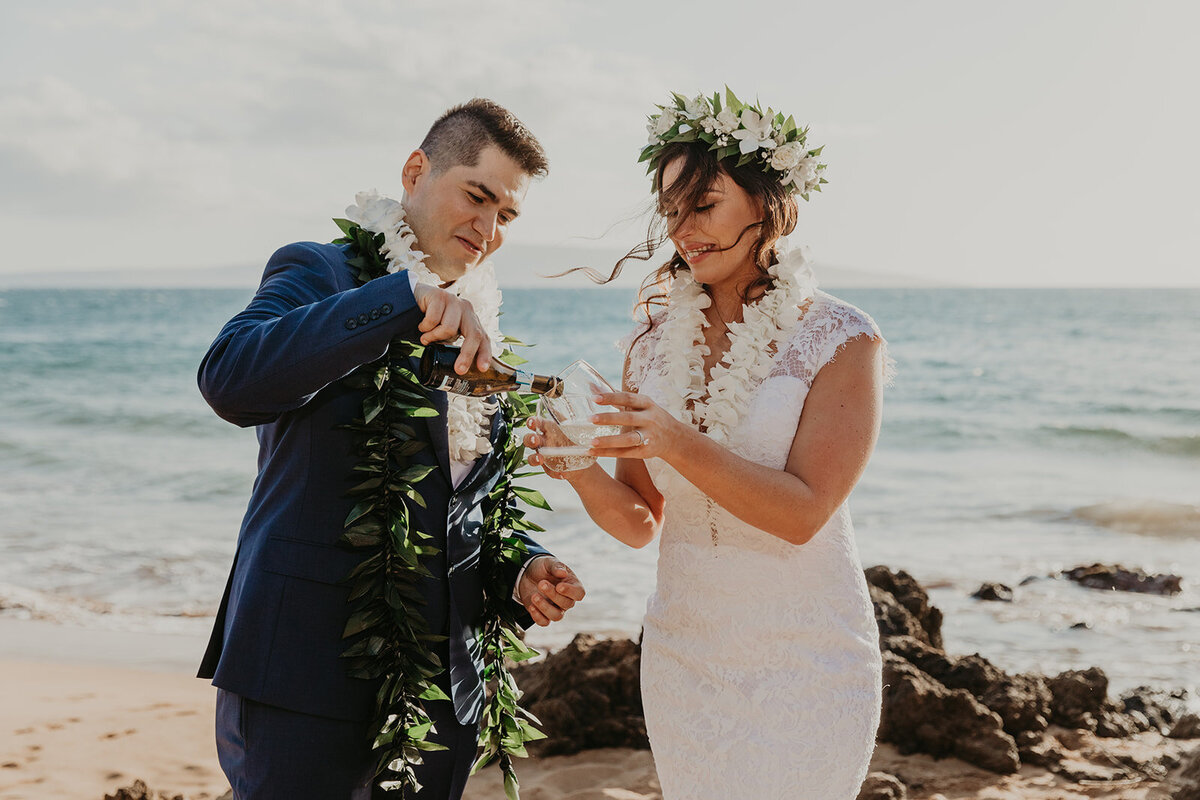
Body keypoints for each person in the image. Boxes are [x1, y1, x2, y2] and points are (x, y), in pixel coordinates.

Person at [197, 98, 585, 800]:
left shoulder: (479, 321)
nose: (489, 229)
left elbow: (457, 495)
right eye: (477, 195)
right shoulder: (322, 273)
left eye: (509, 216)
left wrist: (522, 566)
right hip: (304, 676)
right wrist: (399, 296)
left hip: (441, 694)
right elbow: (231, 379)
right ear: (415, 172)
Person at [526, 91, 888, 799]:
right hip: (684, 656)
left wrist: (674, 440)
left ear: (766, 203)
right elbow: (641, 522)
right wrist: (579, 473)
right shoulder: (650, 349)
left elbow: (803, 512)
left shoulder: (841, 338)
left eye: (705, 205)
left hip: (807, 657)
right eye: (672, 211)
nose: (684, 230)